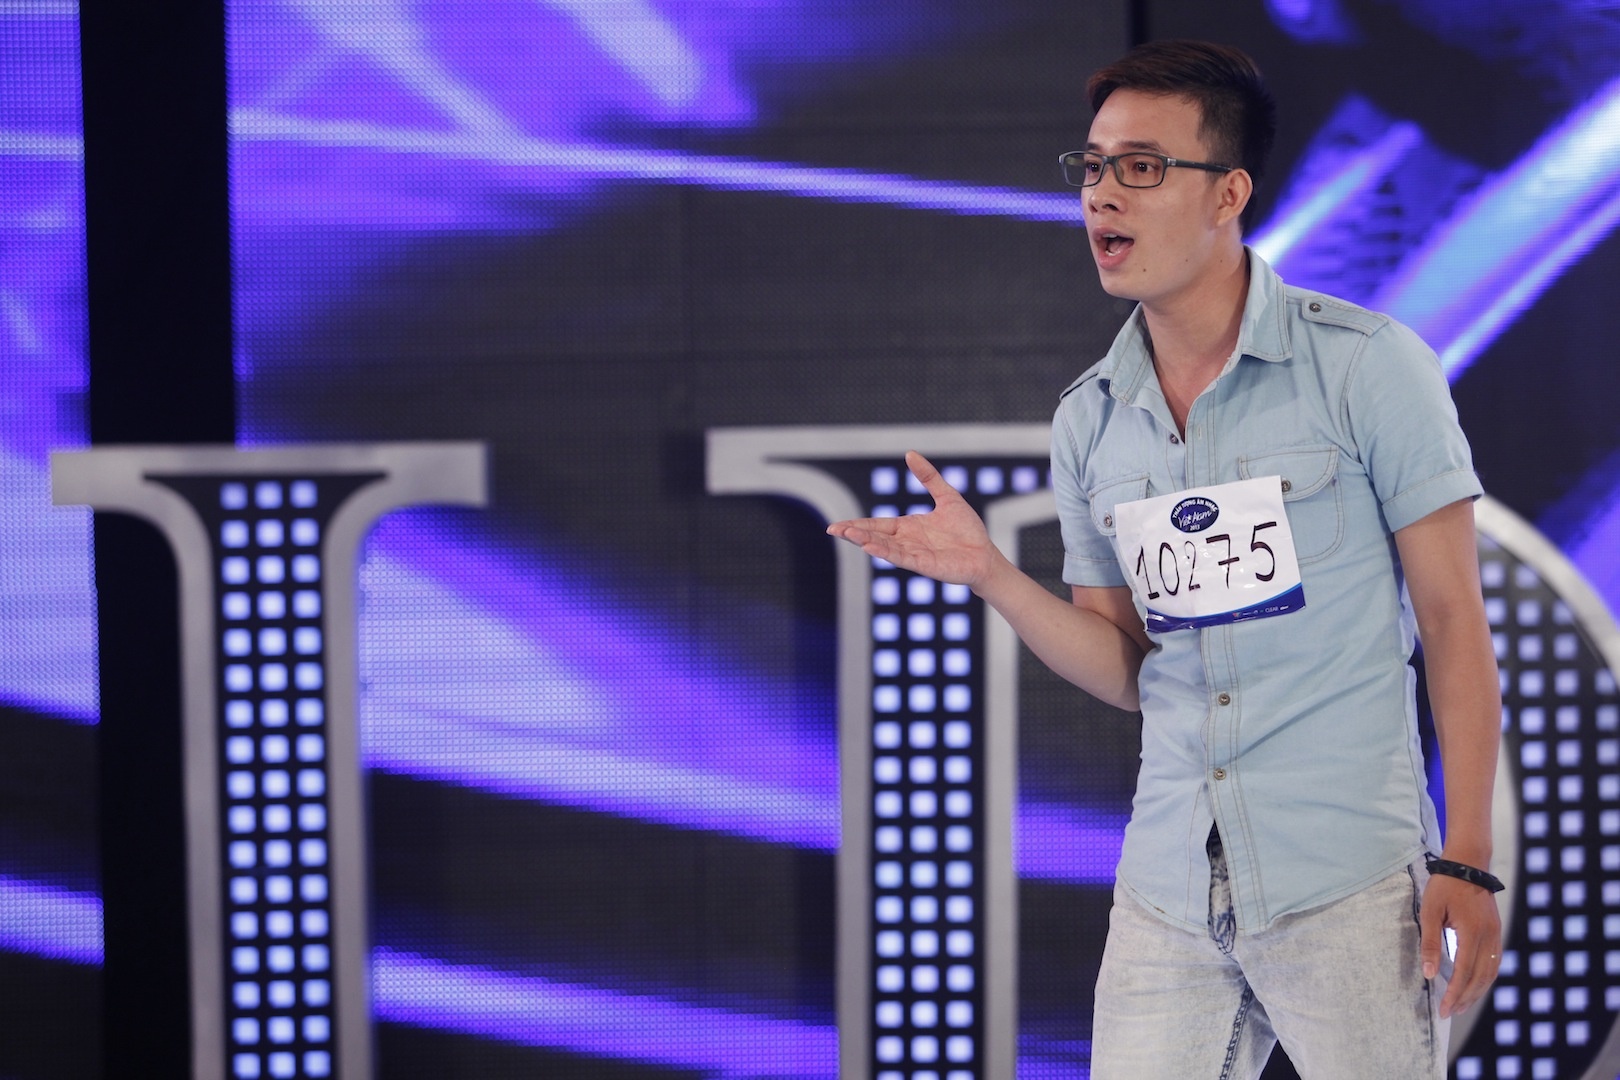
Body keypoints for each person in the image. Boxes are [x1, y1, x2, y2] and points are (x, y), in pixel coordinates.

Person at [826, 39, 1502, 1079]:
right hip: (1168, 887)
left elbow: (1454, 623)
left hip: (1346, 876)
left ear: (1229, 193)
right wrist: (993, 576)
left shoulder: (1368, 367)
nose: (1103, 194)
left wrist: (1469, 856)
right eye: (1093, 167)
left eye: (1142, 167)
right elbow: (1127, 669)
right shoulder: (1091, 420)